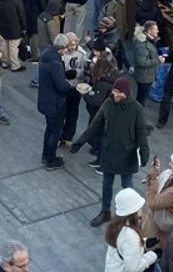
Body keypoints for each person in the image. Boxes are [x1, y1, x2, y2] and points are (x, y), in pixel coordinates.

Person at [72, 77, 149, 227]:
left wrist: (145, 152)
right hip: (109, 151)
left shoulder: (136, 109)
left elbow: (141, 133)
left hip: (127, 154)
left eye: (119, 92)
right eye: (115, 91)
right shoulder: (108, 104)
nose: (116, 94)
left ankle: (131, 215)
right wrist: (79, 142)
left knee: (127, 186)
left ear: (126, 92)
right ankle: (105, 211)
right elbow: (95, 125)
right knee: (107, 184)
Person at [37, 33, 75, 171]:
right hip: (55, 103)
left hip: (45, 100)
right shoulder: (55, 63)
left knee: (49, 129)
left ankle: (45, 155)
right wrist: (70, 85)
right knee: (55, 132)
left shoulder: (46, 56)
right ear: (62, 48)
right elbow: (61, 86)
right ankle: (51, 160)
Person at [0, 0, 28, 71]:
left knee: (5, 45)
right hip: (15, 27)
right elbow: (21, 15)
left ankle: (5, 62)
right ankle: (15, 65)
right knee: (13, 46)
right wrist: (24, 27)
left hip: (3, 26)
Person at [132, 22, 162, 107]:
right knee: (141, 99)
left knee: (141, 98)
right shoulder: (143, 44)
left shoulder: (149, 41)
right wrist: (157, 60)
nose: (158, 31)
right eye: (156, 29)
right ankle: (137, 117)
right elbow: (142, 62)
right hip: (144, 76)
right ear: (149, 31)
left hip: (146, 74)